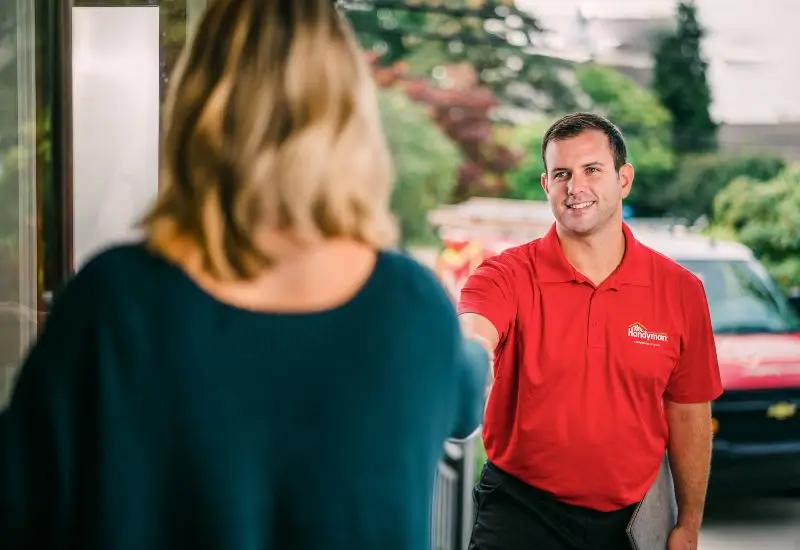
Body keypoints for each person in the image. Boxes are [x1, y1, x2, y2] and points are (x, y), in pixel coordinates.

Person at [0, 1, 490, 549]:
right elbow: (465, 395)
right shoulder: (411, 306)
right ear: (349, 118)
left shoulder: (113, 301)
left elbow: (22, 510)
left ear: (197, 105)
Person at [459, 112, 723, 550]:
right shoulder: (505, 275)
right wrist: (470, 356)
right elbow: (474, 331)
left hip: (631, 522)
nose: (574, 186)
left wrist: (689, 521)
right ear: (546, 186)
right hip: (520, 512)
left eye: (592, 170)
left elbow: (689, 410)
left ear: (624, 179)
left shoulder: (680, 291)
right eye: (561, 173)